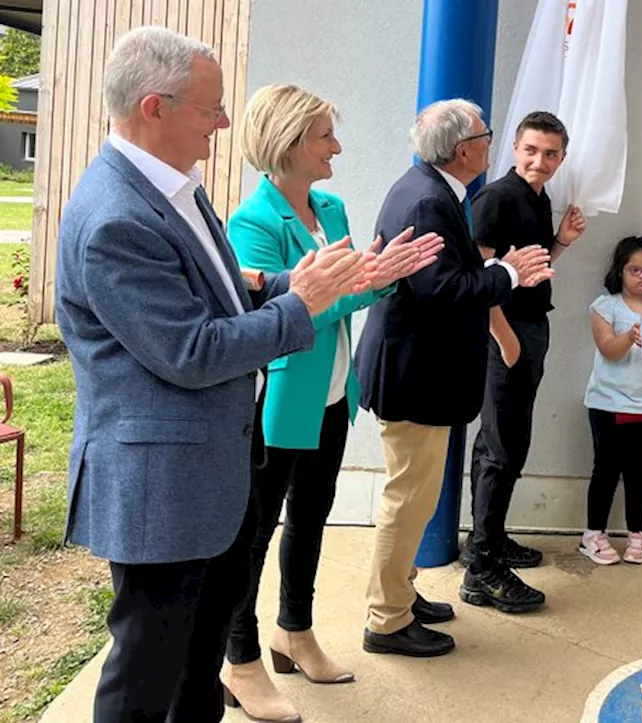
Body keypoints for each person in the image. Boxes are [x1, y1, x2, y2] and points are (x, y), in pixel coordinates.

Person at [54, 27, 416, 723]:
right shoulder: (116, 219)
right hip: (162, 491)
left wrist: (292, 281)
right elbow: (192, 349)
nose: (224, 122)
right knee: (147, 676)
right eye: (210, 108)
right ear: (154, 108)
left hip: (206, 476)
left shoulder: (173, 187)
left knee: (195, 670)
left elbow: (221, 292)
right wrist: (302, 304)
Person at [221, 84, 445, 721]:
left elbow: (341, 298)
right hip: (282, 401)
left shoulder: (333, 207)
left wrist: (378, 278)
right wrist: (366, 281)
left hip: (332, 395)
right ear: (290, 144)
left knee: (312, 518)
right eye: (325, 136)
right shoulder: (254, 223)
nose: (337, 147)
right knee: (254, 536)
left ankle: (295, 631)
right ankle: (239, 662)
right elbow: (285, 314)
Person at [354, 99, 554, 655]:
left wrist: (495, 270)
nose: (492, 144)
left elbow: (445, 277)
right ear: (465, 149)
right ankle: (387, 620)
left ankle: (400, 593)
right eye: (487, 136)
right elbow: (442, 292)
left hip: (419, 372)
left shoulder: (433, 189)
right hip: (416, 375)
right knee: (408, 499)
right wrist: (509, 274)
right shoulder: (428, 200)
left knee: (413, 498)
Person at [461, 111, 586, 593]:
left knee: (507, 442)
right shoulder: (496, 197)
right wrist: (504, 337)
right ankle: (483, 570)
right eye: (532, 150)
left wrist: (561, 243)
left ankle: (487, 540)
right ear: (515, 148)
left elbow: (532, 269)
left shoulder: (539, 197)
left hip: (532, 327)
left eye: (551, 153)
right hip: (506, 334)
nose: (540, 160)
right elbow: (480, 276)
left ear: (562, 157)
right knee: (500, 445)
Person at [579, 236, 642, 566]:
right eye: (634, 269)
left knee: (639, 472)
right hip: (607, 402)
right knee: (605, 469)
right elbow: (608, 348)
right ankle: (594, 533)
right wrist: (628, 337)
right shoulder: (604, 306)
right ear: (620, 271)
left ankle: (637, 533)